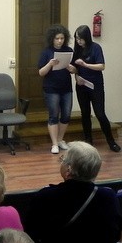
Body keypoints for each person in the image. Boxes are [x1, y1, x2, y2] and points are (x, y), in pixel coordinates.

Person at [71, 25, 120, 152]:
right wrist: (76, 77)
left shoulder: (95, 47)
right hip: (81, 86)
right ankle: (88, 141)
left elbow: (101, 66)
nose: (78, 41)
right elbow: (75, 68)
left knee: (100, 114)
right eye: (77, 38)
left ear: (87, 37)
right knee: (85, 113)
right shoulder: (77, 50)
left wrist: (85, 64)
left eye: (81, 38)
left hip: (95, 85)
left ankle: (111, 141)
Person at [38, 24, 75, 155]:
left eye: (62, 38)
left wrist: (71, 68)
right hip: (51, 89)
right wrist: (50, 64)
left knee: (66, 115)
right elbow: (41, 72)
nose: (60, 41)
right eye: (57, 38)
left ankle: (60, 140)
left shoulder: (69, 50)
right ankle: (54, 144)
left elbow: (74, 70)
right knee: (53, 116)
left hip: (66, 88)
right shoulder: (46, 52)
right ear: (52, 39)